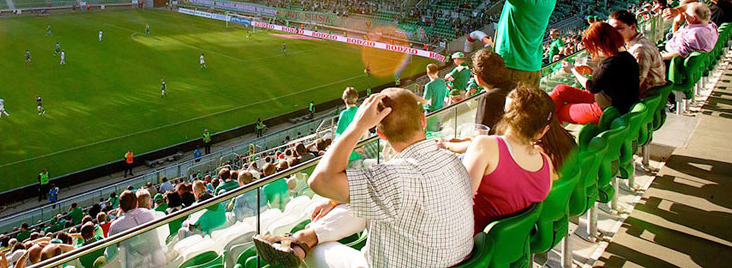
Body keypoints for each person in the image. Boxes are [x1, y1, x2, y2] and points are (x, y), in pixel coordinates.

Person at [252, 89, 473, 268]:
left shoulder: (393, 178)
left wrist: (358, 126)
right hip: (456, 259)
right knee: (358, 203)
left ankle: (299, 246)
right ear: (423, 122)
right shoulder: (452, 160)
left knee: (313, 253)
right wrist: (334, 201)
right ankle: (302, 238)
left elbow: (320, 181)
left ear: (381, 135)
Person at [464, 85, 553, 233]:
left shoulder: (485, 145)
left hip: (475, 245)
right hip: (515, 248)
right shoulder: (546, 163)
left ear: (506, 115)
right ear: (543, 131)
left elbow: (458, 203)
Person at [551, 22, 640, 124]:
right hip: (609, 101)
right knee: (560, 89)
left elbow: (592, 87)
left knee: (559, 110)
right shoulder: (625, 57)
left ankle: (544, 131)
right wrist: (591, 71)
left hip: (606, 111)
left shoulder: (612, 62)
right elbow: (611, 78)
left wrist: (573, 70)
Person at [609, 9, 666, 97]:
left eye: (619, 28)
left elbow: (635, 84)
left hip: (644, 97)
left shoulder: (640, 49)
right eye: (612, 29)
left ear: (633, 27)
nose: (614, 33)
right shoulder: (637, 43)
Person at [108, 190, 166, 267]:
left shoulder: (115, 226)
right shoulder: (148, 214)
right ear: (137, 203)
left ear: (120, 207)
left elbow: (109, 254)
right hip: (158, 262)